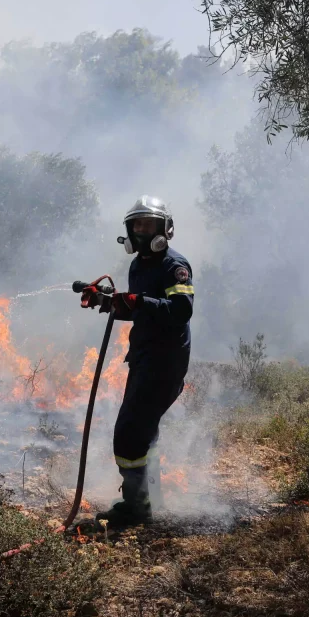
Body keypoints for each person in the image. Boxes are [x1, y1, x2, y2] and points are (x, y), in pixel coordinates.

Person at [80, 195, 194, 527]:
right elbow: (137, 310)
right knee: (142, 434)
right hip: (144, 358)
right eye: (137, 225)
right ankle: (151, 497)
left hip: (165, 363)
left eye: (149, 224)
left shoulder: (175, 267)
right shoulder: (137, 265)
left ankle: (137, 508)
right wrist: (105, 302)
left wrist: (138, 300)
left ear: (165, 229)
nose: (143, 231)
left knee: (128, 435)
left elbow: (180, 311)